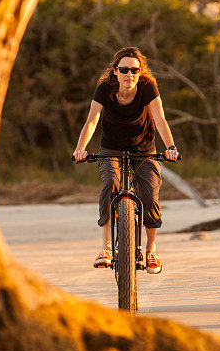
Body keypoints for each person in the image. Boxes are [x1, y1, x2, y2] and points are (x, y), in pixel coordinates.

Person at [73, 46, 179, 274]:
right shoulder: (105, 89)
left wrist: (170, 147)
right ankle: (106, 247)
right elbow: (92, 120)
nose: (129, 75)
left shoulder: (147, 88)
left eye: (134, 70)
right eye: (124, 70)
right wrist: (80, 149)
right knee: (111, 184)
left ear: (141, 72)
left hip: (144, 150)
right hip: (110, 149)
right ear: (115, 71)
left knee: (150, 194)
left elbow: (160, 119)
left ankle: (151, 249)